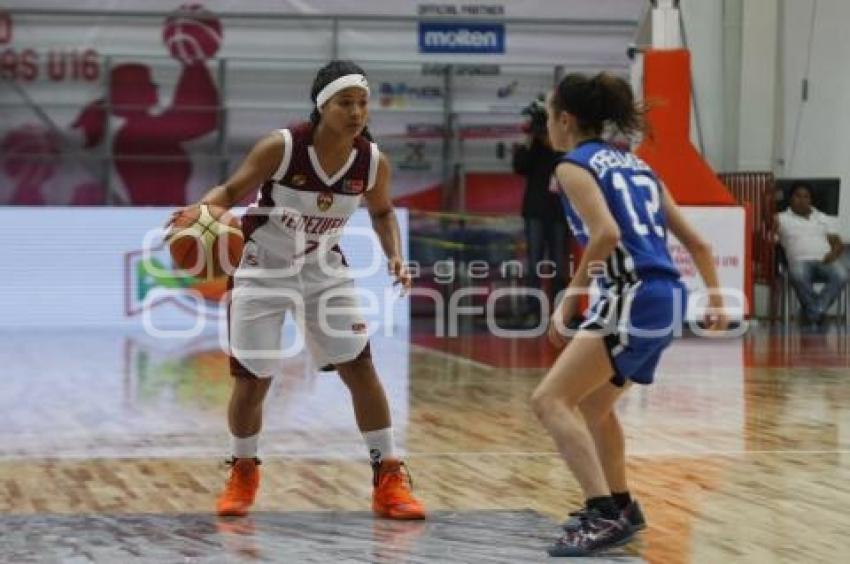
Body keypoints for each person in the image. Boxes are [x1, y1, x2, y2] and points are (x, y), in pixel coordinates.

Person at [168, 60, 426, 520]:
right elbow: (230, 191)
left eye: (362, 103)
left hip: (323, 270)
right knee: (253, 381)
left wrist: (394, 255)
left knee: (360, 368)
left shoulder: (372, 162)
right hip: (260, 268)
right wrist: (201, 211)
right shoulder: (282, 147)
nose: (356, 112)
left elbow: (383, 212)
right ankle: (243, 468)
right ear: (322, 106)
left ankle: (388, 475)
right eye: (345, 103)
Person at [529, 72, 728, 557]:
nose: (545, 126)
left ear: (566, 119)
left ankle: (601, 514)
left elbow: (606, 235)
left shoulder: (573, 166)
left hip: (632, 294)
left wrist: (569, 298)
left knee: (550, 401)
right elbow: (697, 241)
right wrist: (717, 296)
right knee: (595, 406)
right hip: (667, 294)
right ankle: (622, 505)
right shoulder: (638, 166)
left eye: (548, 116)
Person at [512, 95, 569, 319]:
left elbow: (567, 159)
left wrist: (552, 137)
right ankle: (532, 309)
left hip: (558, 210)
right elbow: (520, 167)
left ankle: (561, 310)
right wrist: (528, 137)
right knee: (534, 261)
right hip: (535, 209)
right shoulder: (532, 144)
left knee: (559, 262)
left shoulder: (562, 142)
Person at [776, 181, 847, 326]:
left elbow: (837, 243)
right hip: (799, 262)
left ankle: (812, 312)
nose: (802, 200)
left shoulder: (822, 217)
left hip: (825, 261)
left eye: (806, 197)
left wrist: (833, 254)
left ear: (811, 200)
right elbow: (768, 236)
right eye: (798, 196)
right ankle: (818, 312)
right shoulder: (780, 218)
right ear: (790, 198)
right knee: (797, 274)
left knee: (842, 274)